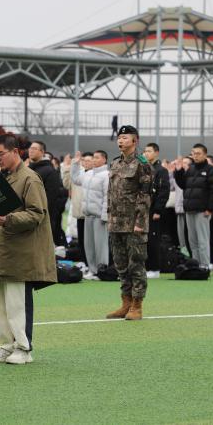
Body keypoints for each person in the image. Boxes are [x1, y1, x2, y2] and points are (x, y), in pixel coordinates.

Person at [0, 133, 56, 365]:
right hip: (1, 249)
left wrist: (6, 219)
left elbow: (36, 214)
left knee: (16, 303)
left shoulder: (30, 178)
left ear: (15, 152)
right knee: (0, 303)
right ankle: (6, 345)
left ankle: (24, 347)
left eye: (1, 154)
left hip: (20, 252)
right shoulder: (3, 177)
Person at [106, 126, 152, 321]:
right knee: (121, 265)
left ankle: (137, 305)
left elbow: (145, 195)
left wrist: (140, 223)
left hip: (134, 224)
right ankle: (125, 303)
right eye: (119, 138)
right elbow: (111, 194)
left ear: (135, 141)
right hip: (116, 223)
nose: (120, 141)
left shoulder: (142, 164)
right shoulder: (115, 163)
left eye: (125, 138)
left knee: (136, 265)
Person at [174, 143, 213, 269]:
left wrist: (210, 209)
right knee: (193, 241)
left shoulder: (210, 170)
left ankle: (204, 265)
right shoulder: (191, 169)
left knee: (203, 240)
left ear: (205, 154)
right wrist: (178, 171)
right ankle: (195, 265)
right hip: (189, 209)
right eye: (193, 153)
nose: (195, 156)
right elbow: (183, 185)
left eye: (198, 153)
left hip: (202, 210)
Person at [70, 150, 109, 279]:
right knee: (89, 245)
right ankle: (92, 270)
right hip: (87, 214)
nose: (94, 160)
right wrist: (75, 164)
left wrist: (105, 215)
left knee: (100, 245)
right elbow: (75, 179)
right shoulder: (88, 174)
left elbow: (107, 197)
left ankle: (101, 270)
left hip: (99, 216)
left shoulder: (107, 175)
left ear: (104, 160)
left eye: (97, 158)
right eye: (94, 157)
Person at [27, 141, 66, 246]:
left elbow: (51, 197)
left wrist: (41, 213)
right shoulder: (28, 169)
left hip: (42, 217)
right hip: (27, 215)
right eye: (30, 148)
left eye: (34, 148)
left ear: (42, 152)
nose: (31, 150)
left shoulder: (49, 171)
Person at [143, 143, 170, 274]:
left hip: (153, 211)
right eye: (145, 151)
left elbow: (164, 192)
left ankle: (154, 268)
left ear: (156, 153)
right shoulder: (143, 169)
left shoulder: (161, 170)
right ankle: (146, 266)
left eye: (149, 151)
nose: (146, 153)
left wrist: (158, 210)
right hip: (142, 210)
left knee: (153, 240)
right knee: (143, 240)